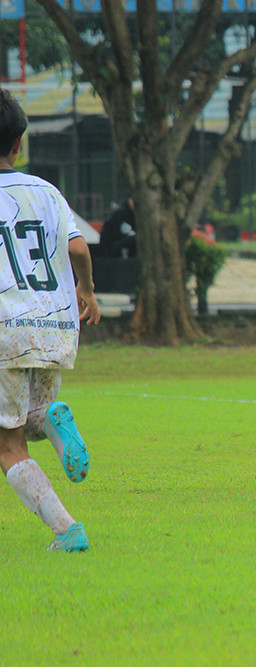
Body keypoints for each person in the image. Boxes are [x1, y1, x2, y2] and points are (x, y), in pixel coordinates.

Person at [0, 88, 101, 551]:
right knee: (32, 417)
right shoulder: (47, 191)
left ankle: (67, 530)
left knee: (8, 444)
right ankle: (56, 423)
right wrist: (87, 290)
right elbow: (78, 247)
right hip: (53, 326)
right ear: (18, 143)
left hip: (5, 329)